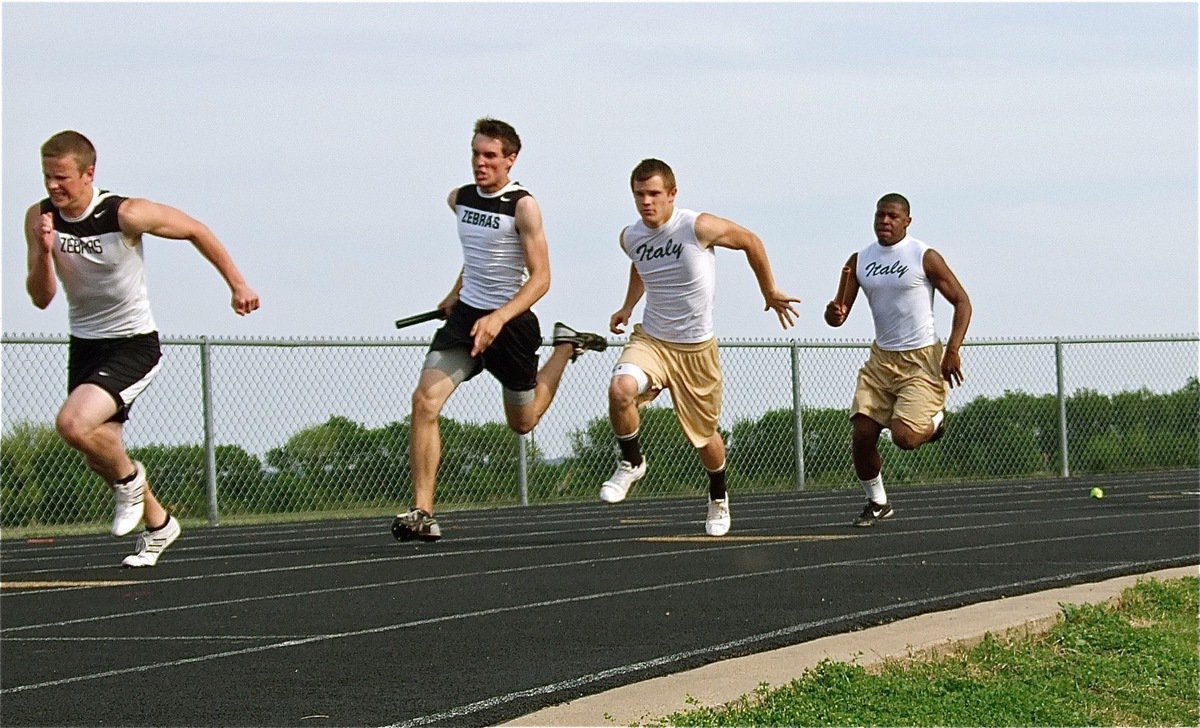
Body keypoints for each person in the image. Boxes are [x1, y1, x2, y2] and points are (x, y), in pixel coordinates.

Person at [24, 130, 260, 566]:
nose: (53, 187)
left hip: (133, 345)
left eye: (62, 178)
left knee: (74, 425)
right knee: (99, 452)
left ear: (88, 173)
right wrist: (42, 252)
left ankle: (130, 483)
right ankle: (160, 525)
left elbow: (195, 230)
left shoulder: (125, 214)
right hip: (86, 346)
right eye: (47, 177)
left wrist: (238, 283)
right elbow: (41, 298)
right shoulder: (41, 218)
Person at [392, 118, 606, 542]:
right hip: (466, 319)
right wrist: (456, 292)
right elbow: (478, 254)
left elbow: (541, 278)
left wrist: (498, 317)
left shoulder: (523, 206)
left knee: (523, 423)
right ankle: (423, 511)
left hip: (512, 326)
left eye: (490, 156)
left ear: (511, 159)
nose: (480, 163)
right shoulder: (461, 199)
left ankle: (564, 348)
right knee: (425, 400)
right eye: (475, 154)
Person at [601, 158, 801, 536]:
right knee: (620, 388)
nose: (647, 202)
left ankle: (718, 497)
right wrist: (628, 306)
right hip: (653, 341)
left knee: (705, 438)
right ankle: (632, 462)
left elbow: (750, 241)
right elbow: (640, 264)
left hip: (696, 350)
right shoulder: (630, 237)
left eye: (655, 194)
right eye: (640, 195)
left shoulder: (697, 226)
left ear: (672, 194)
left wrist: (769, 290)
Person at [824, 193, 972, 526]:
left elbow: (962, 302)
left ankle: (934, 423)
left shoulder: (924, 256)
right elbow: (838, 314)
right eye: (880, 215)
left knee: (904, 439)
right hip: (881, 360)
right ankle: (877, 502)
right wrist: (833, 313)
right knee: (862, 432)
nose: (884, 222)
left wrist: (952, 349)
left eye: (892, 216)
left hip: (921, 358)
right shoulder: (860, 260)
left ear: (907, 221)